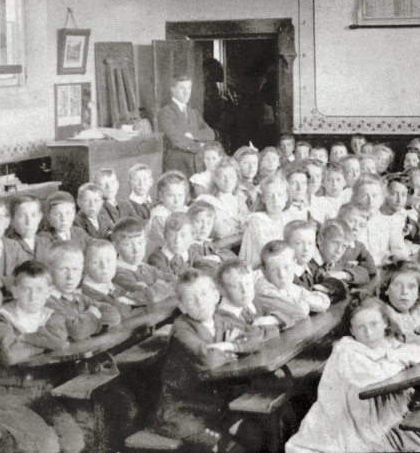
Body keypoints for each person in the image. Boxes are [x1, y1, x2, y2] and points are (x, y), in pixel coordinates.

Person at [286, 299, 420, 453]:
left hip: (370, 414)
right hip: (342, 420)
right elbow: (374, 373)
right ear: (352, 330)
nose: (369, 333)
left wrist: (394, 357)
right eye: (360, 327)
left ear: (385, 323)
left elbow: (419, 352)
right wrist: (399, 360)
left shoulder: (385, 343)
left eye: (374, 324)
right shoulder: (346, 350)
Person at [152, 269, 263, 453]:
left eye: (204, 294)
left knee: (255, 435)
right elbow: (208, 359)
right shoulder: (181, 331)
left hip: (217, 407)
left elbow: (255, 336)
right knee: (231, 449)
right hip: (184, 413)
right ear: (182, 307)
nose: (200, 302)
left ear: (215, 295)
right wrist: (229, 347)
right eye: (191, 299)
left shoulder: (221, 319)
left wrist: (229, 346)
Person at [0, 260, 84, 453]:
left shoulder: (50, 314)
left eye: (39, 290)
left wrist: (23, 339)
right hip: (6, 398)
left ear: (48, 291)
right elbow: (11, 355)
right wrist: (43, 345)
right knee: (45, 444)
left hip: (41, 393)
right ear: (15, 291)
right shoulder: (2, 318)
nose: (33, 296)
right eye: (26, 289)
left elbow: (58, 339)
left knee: (74, 439)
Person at [46, 241, 121, 340]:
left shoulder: (77, 296)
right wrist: (93, 314)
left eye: (76, 269)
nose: (71, 276)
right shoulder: (48, 302)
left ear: (82, 269)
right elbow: (76, 332)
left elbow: (113, 314)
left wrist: (85, 323)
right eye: (64, 269)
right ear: (50, 271)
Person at [158, 74, 216, 175]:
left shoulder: (193, 112)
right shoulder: (165, 112)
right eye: (182, 88)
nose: (186, 92)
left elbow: (211, 134)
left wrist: (193, 135)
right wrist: (199, 146)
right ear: (173, 89)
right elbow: (176, 139)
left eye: (189, 88)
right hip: (178, 167)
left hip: (197, 167)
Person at [112, 218, 175, 307]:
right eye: (128, 244)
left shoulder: (143, 266)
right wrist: (160, 284)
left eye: (140, 243)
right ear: (116, 247)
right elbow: (149, 297)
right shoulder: (119, 274)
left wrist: (151, 289)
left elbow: (174, 281)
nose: (136, 250)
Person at [239, 173, 289, 268]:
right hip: (259, 269)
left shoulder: (286, 218)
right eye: (270, 196)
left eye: (280, 195)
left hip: (280, 266)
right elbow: (267, 253)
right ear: (263, 199)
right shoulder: (256, 220)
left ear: (286, 197)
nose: (276, 201)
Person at [9, 195, 53, 264]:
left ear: (40, 217)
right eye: (22, 216)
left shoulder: (47, 242)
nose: (29, 221)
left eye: (33, 215)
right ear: (12, 219)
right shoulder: (8, 246)